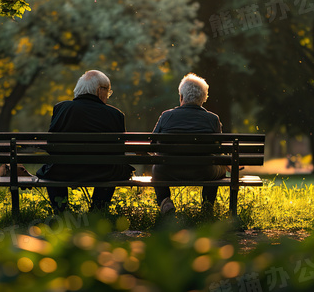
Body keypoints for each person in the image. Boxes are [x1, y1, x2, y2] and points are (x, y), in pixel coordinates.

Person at [35, 70, 133, 214]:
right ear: (100, 90)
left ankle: (61, 210)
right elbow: (119, 152)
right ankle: (98, 211)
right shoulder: (115, 115)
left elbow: (51, 145)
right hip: (103, 172)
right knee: (114, 167)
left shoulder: (61, 109)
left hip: (64, 171)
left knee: (53, 167)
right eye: (108, 92)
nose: (108, 96)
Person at [151, 73, 226, 215]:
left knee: (156, 169)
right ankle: (207, 206)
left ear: (181, 97)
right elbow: (218, 148)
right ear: (203, 98)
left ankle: (165, 202)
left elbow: (152, 144)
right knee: (219, 166)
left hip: (167, 171)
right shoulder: (213, 119)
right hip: (203, 171)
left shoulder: (166, 116)